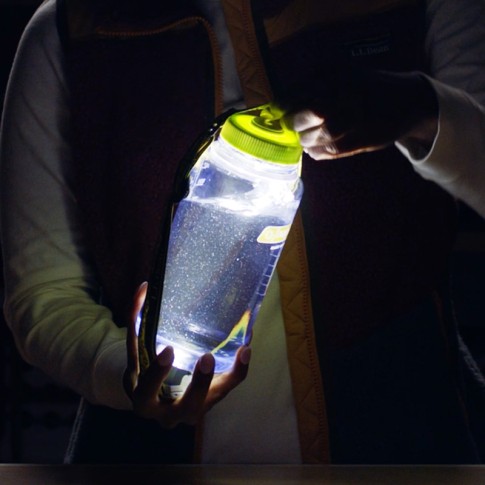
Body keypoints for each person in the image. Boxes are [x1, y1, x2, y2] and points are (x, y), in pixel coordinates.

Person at [1, 0, 485, 464]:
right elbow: (43, 295)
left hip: (404, 450)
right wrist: (128, 371)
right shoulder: (75, 29)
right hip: (147, 464)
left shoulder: (421, 4)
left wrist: (422, 110)